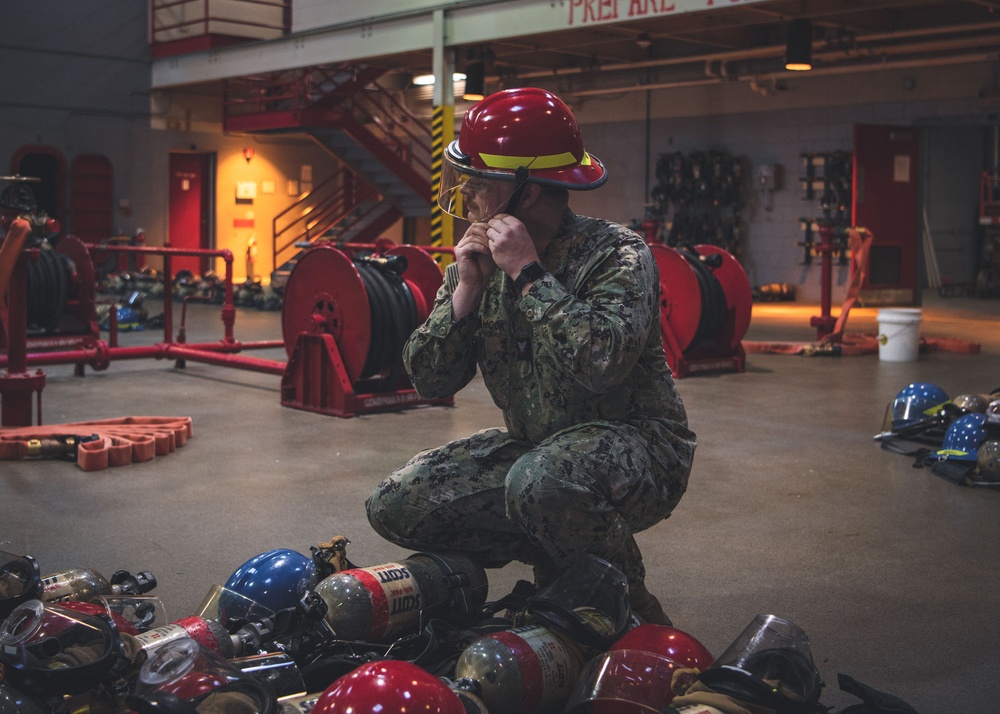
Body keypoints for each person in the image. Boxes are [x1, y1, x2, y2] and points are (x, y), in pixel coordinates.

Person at [365, 87, 696, 624]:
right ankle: (548, 553)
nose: (467, 195)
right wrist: (466, 293)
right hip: (539, 450)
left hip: (642, 452)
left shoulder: (618, 254)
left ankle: (631, 609)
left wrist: (529, 275)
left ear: (530, 193)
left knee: (543, 483)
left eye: (478, 183)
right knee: (400, 503)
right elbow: (428, 380)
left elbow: (601, 363)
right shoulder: (479, 260)